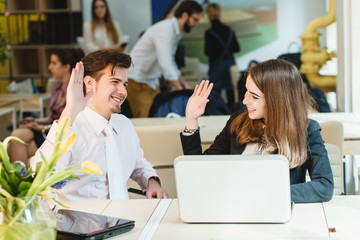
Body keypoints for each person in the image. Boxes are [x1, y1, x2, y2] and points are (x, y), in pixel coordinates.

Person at [180, 59, 334, 203]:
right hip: (234, 208)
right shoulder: (237, 122)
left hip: (275, 212)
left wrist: (266, 194)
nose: (245, 100)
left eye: (254, 96)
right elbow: (199, 172)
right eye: (246, 91)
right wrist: (191, 120)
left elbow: (324, 187)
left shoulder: (307, 130)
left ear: (277, 101)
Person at [35, 50, 168, 201]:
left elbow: (138, 164)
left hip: (124, 220)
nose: (123, 91)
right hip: (79, 223)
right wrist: (69, 113)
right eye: (115, 82)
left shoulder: (124, 125)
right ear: (90, 83)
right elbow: (42, 176)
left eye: (124, 84)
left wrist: (152, 182)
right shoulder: (70, 128)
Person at [127, 0, 203, 118]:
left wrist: (186, 87)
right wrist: (181, 92)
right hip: (137, 81)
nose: (196, 24)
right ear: (184, 15)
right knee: (148, 121)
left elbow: (171, 64)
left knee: (158, 115)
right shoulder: (166, 29)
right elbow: (166, 64)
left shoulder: (176, 32)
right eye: (195, 19)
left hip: (150, 82)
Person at [8, 48, 84, 164]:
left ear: (66, 67)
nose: (49, 67)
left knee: (15, 140)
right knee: (16, 138)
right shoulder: (57, 87)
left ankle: (18, 178)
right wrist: (34, 120)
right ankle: (20, 179)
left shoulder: (75, 91)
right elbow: (53, 117)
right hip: (48, 128)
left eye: (54, 63)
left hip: (58, 133)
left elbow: (68, 124)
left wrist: (39, 127)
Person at [205, 3, 240, 110]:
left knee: (215, 94)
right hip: (230, 64)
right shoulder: (229, 30)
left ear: (208, 15)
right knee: (232, 93)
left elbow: (207, 52)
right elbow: (237, 48)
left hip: (216, 66)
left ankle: (219, 113)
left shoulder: (209, 33)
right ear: (219, 14)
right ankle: (233, 115)